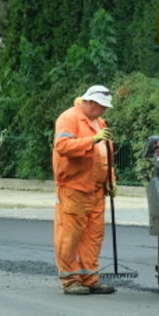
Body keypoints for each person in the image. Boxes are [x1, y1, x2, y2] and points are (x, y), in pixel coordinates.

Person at [52, 85, 117, 295]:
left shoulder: (98, 121)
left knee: (93, 236)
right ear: (90, 102)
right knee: (70, 235)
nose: (104, 111)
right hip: (74, 188)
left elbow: (105, 155)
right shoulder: (68, 118)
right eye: (101, 107)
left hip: (96, 190)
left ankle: (89, 278)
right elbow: (62, 147)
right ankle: (70, 280)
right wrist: (92, 139)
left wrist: (111, 180)